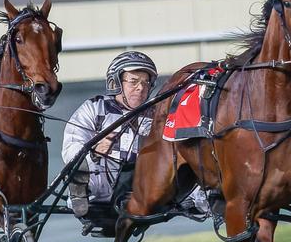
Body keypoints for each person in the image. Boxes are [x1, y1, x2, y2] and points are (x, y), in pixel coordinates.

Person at [62, 51, 208, 217]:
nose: (141, 87)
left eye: (146, 83)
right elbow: (70, 146)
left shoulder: (157, 115)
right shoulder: (94, 107)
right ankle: (80, 192)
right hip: (100, 185)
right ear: (116, 83)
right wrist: (94, 151)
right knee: (80, 162)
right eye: (133, 81)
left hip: (142, 185)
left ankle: (206, 200)